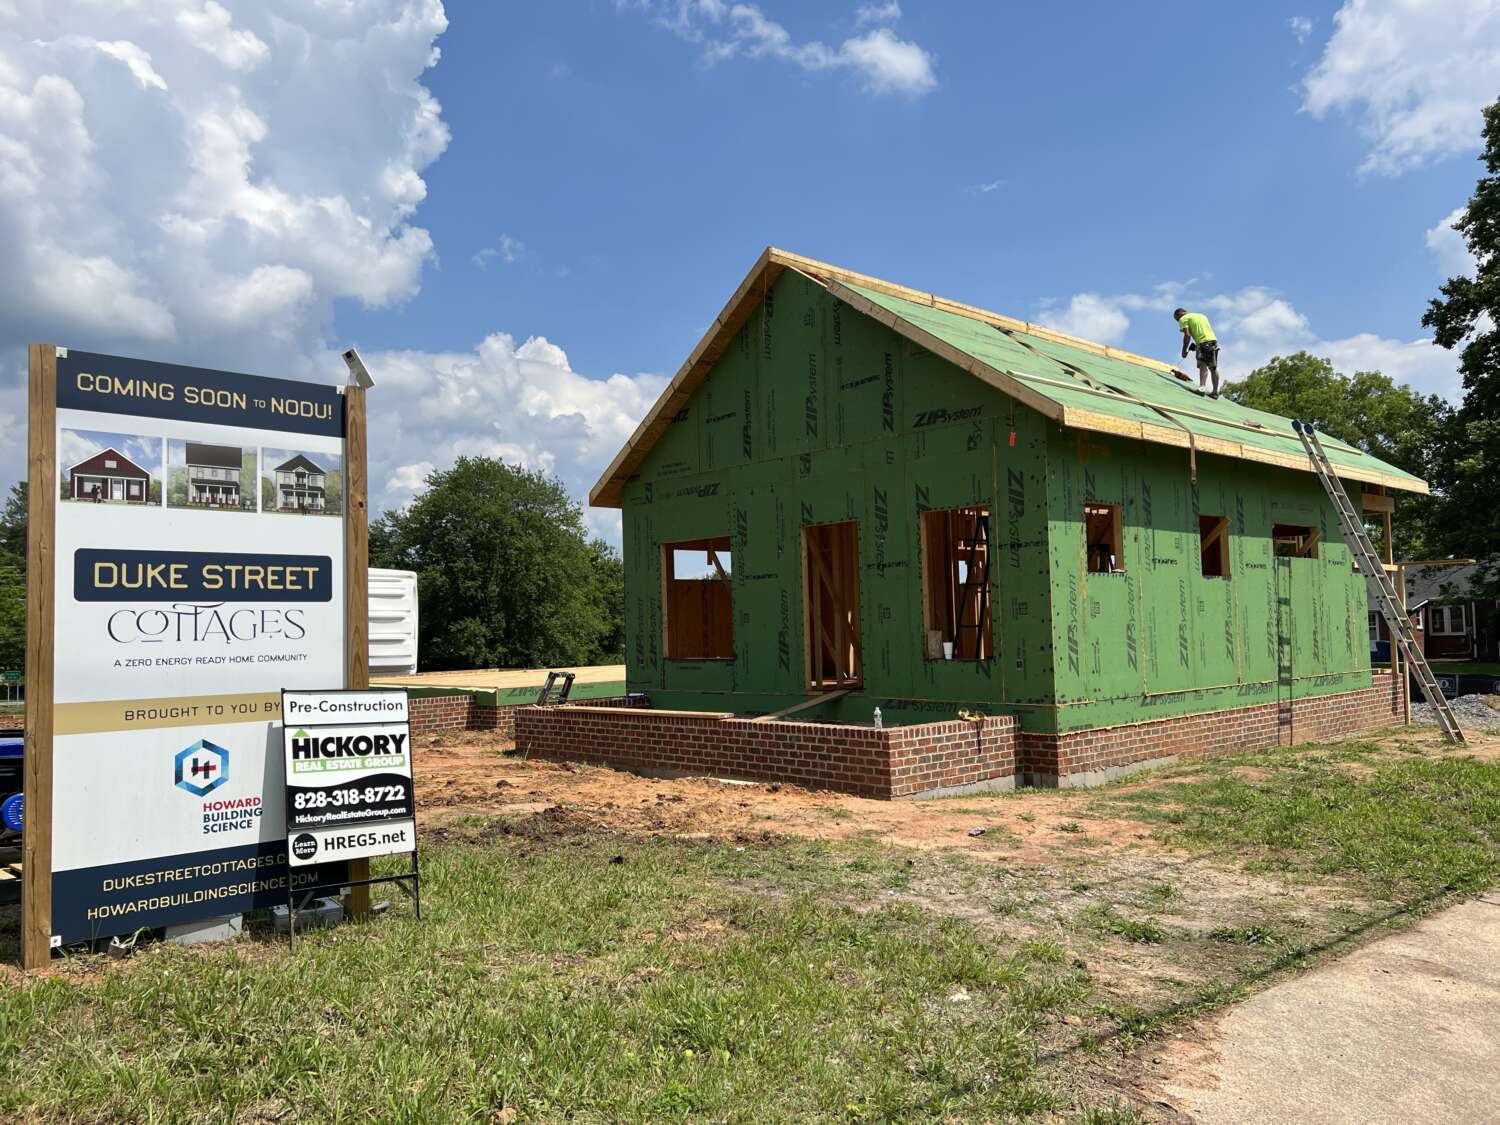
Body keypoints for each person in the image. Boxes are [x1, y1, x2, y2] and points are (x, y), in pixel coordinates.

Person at [1174, 308, 1220, 398]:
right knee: (1213, 367)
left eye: (1177, 319)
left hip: (1203, 343)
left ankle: (1201, 388)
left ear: (1179, 315)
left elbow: (1187, 335)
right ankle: (1215, 392)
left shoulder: (1183, 319)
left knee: (1202, 365)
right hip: (1213, 342)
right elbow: (1201, 331)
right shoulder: (1201, 316)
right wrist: (1195, 346)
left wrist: (1184, 350)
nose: (1178, 322)